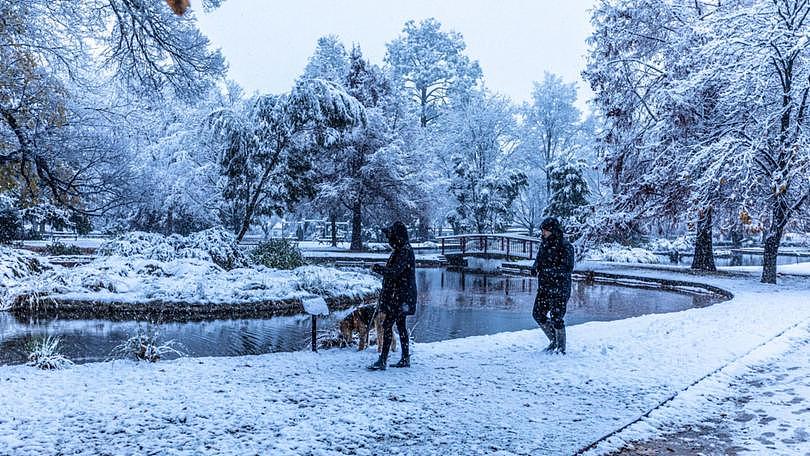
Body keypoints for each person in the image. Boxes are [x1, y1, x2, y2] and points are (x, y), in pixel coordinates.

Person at [367, 221, 417, 370]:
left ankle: (383, 360)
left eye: (391, 236)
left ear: (397, 236)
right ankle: (405, 358)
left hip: (400, 296)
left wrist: (378, 269)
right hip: (401, 296)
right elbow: (396, 272)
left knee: (387, 325)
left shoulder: (404, 251)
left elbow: (395, 272)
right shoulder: (401, 249)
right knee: (400, 326)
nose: (389, 240)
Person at [530, 217, 575, 354]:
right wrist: (535, 267)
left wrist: (548, 271)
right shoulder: (544, 244)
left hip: (559, 288)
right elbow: (539, 259)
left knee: (557, 317)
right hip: (544, 287)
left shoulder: (566, 246)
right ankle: (553, 340)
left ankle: (561, 347)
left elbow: (567, 268)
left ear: (552, 230)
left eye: (545, 231)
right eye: (542, 230)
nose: (542, 233)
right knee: (538, 314)